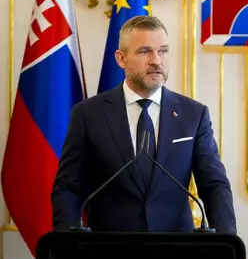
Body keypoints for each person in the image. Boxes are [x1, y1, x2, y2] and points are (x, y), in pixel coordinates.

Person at [51, 15, 236, 234]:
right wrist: (68, 245)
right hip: (107, 249)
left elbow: (214, 184)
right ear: (121, 59)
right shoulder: (88, 114)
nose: (156, 60)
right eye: (145, 51)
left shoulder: (193, 115)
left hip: (178, 249)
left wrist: (226, 245)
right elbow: (68, 187)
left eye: (163, 51)